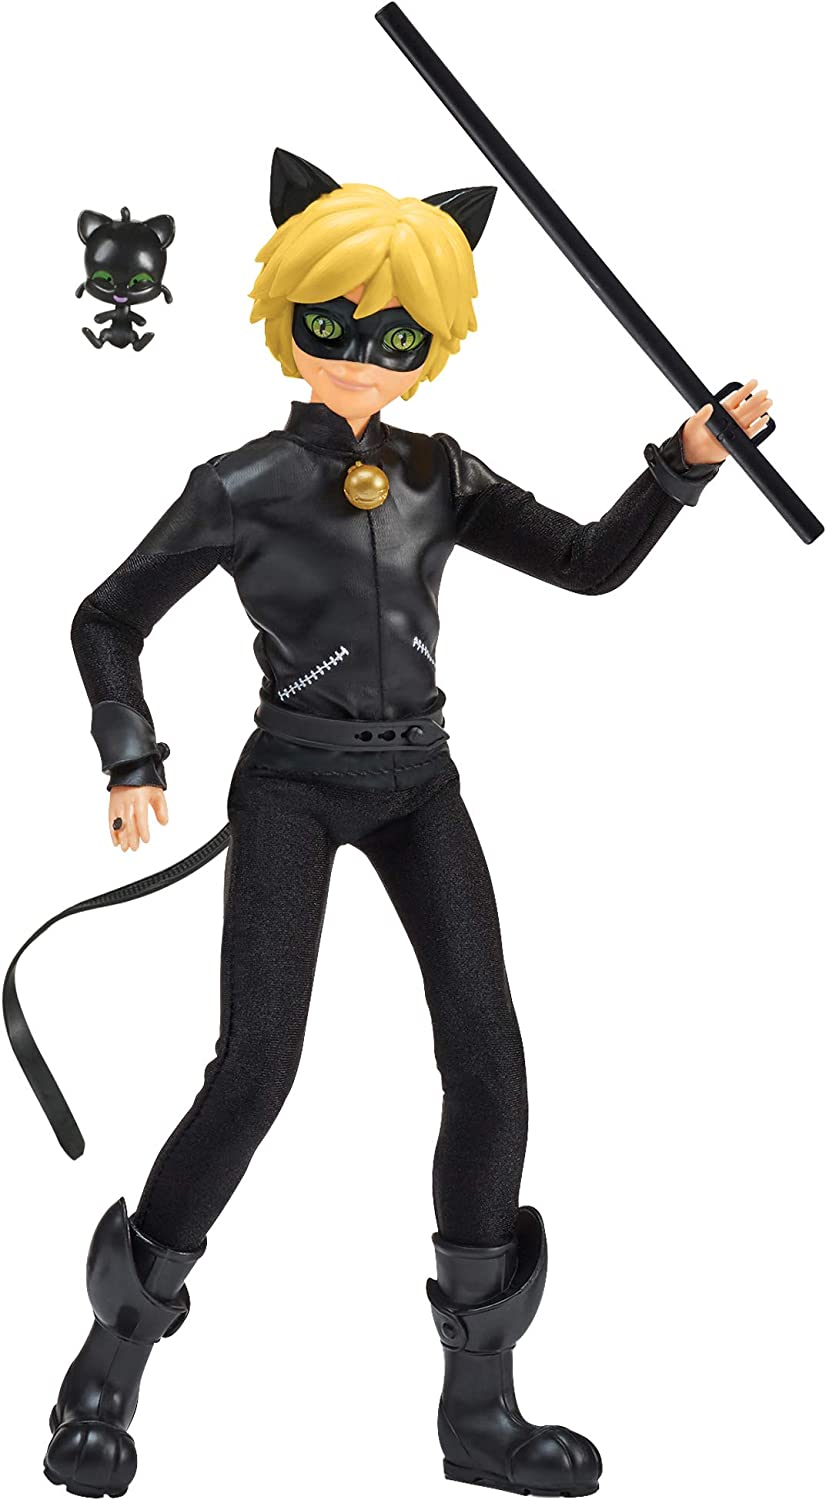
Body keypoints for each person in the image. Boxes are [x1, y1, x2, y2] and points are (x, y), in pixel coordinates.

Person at [40, 149, 773, 1498]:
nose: (361, 357)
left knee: (489, 1063)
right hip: (292, 783)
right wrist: (130, 756)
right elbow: (107, 616)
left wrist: (683, 466)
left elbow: (587, 565)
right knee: (255, 1070)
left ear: (433, 343)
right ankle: (109, 1361)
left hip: (420, 783)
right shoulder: (242, 483)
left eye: (395, 336)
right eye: (332, 325)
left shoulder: (442, 472)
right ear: (284, 320)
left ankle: (478, 1414)